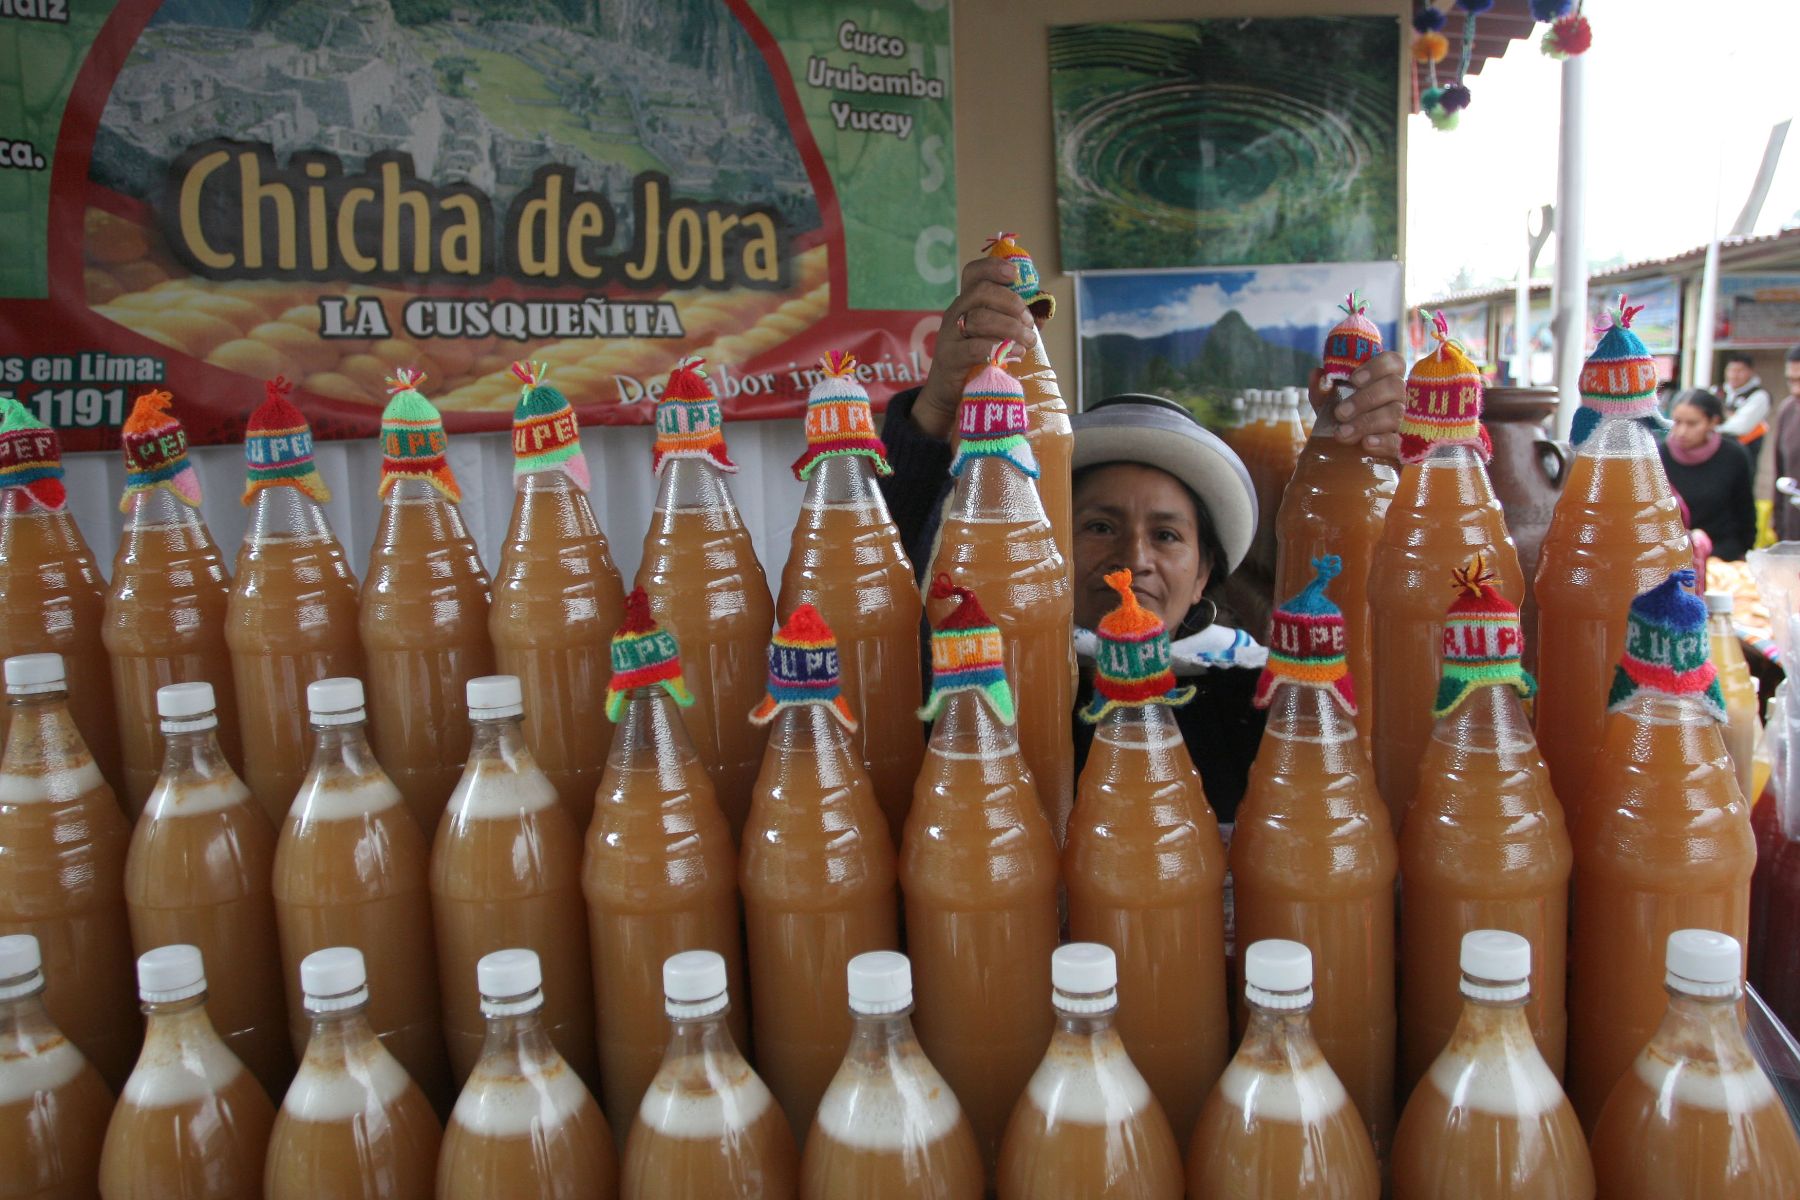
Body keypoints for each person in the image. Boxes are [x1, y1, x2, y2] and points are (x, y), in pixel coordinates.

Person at [879, 253, 1407, 819]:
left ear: (1205, 572)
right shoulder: (980, 691)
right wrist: (934, 413)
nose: (1133, 560)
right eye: (1099, 526)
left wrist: (1391, 471)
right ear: (1049, 549)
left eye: (1166, 535)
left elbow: (1386, 696)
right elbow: (883, 613)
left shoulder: (1265, 701)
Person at [1660, 389, 1756, 562]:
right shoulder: (1658, 456)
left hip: (1720, 558)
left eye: (1692, 424)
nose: (1681, 431)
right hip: (1669, 560)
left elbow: (1745, 515)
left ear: (1713, 422)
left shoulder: (1733, 456)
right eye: (1677, 422)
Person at [1718, 351, 1773, 472]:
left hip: (1744, 456)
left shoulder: (1759, 396)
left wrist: (1715, 424)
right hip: (1716, 455)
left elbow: (1740, 427)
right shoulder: (1718, 392)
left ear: (1750, 371)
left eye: (1739, 371)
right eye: (1731, 370)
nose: (1734, 375)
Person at [1770, 344, 1800, 542]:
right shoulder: (1788, 410)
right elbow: (1780, 471)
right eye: (1792, 381)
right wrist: (1778, 523)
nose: (1796, 390)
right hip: (1793, 531)